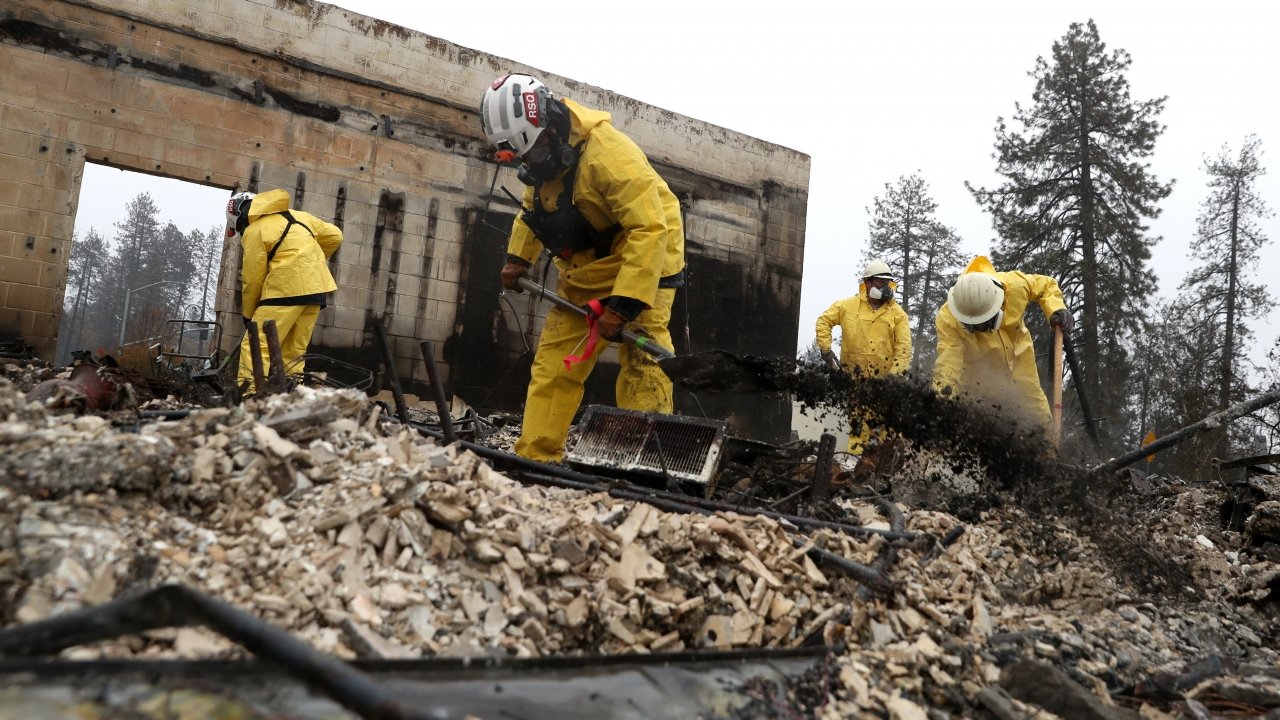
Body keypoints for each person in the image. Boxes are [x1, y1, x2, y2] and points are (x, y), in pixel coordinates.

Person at [480, 73, 685, 462]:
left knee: (644, 360)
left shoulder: (610, 155)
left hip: (647, 255)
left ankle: (650, 460)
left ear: (551, 127)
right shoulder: (543, 162)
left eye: (533, 154)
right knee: (554, 364)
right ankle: (536, 456)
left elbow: (649, 227)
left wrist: (623, 306)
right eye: (523, 159)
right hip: (587, 267)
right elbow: (534, 207)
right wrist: (518, 258)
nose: (531, 165)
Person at [933, 255, 1072, 438]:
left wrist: (1055, 308)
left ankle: (1050, 456)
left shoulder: (1015, 285)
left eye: (983, 324)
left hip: (1020, 359)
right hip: (982, 378)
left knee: (1038, 416)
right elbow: (947, 366)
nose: (979, 330)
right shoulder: (948, 319)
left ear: (997, 306)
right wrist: (940, 406)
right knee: (986, 430)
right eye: (973, 326)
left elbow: (1046, 285)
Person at [226, 188, 343, 397]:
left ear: (240, 217)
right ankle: (290, 395)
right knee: (293, 351)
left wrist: (248, 315)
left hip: (284, 290)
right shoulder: (300, 216)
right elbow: (335, 235)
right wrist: (310, 262)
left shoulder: (255, 231)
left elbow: (252, 280)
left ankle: (251, 396)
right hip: (316, 290)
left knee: (256, 344)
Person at [815, 259, 912, 454]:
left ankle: (885, 470)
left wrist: (894, 377)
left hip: (884, 384)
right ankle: (854, 465)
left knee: (886, 431)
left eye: (888, 283)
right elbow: (824, 321)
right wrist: (826, 350)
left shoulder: (897, 314)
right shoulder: (847, 307)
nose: (886, 287)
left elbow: (904, 348)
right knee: (858, 428)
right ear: (867, 283)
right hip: (855, 381)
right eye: (881, 283)